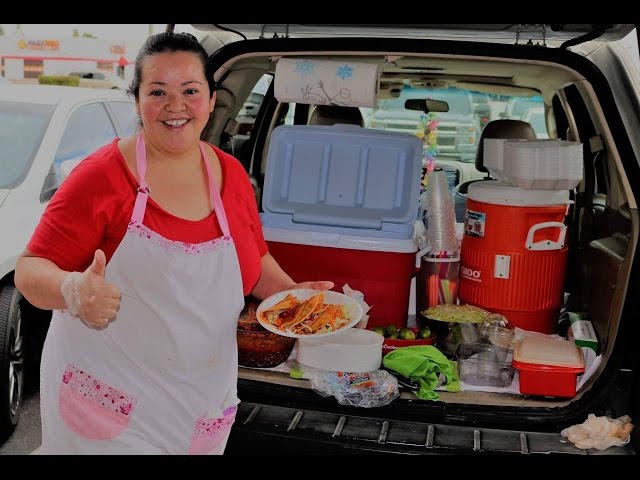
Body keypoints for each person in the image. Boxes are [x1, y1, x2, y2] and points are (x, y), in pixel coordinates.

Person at [14, 32, 333, 455]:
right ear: (137, 100)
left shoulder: (231, 175)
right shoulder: (101, 176)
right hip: (109, 399)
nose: (175, 105)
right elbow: (29, 270)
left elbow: (254, 261)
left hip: (197, 401)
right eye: (158, 91)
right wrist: (73, 291)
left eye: (190, 90)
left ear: (211, 98)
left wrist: (298, 300)